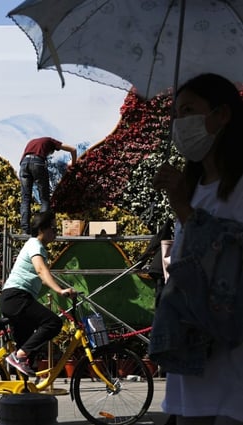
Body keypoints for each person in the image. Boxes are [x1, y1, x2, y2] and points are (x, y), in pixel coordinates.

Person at [152, 73, 243, 425]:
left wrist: (184, 210)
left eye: (188, 110)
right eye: (175, 114)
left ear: (222, 115)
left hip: (232, 358)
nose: (179, 124)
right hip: (192, 356)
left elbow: (230, 251)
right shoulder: (191, 187)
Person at [0, 210, 76, 376]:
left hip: (16, 298)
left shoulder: (37, 247)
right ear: (42, 229)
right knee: (53, 323)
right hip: (16, 297)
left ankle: (22, 394)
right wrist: (60, 290)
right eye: (54, 229)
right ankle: (19, 356)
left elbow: (42, 278)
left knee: (28, 351)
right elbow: (41, 271)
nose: (56, 233)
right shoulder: (35, 244)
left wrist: (61, 290)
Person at [19, 136, 77, 234]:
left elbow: (23, 160)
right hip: (37, 163)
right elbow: (73, 149)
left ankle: (25, 230)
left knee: (25, 198)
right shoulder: (50, 140)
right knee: (44, 199)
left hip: (24, 164)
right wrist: (73, 163)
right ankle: (41, 228)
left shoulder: (31, 142)